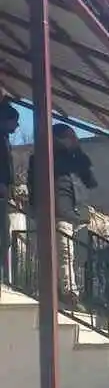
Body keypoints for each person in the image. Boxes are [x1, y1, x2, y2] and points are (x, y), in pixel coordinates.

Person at [26, 120, 96, 307]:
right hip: (52, 213)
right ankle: (66, 293)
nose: (74, 140)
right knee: (59, 254)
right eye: (70, 137)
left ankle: (62, 292)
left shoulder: (73, 159)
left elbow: (90, 181)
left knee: (65, 254)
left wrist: (78, 151)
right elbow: (33, 186)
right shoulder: (44, 158)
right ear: (58, 139)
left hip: (66, 214)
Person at [0, 100, 18, 284]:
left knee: (4, 236)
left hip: (4, 192)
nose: (17, 125)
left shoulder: (4, 139)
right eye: (15, 120)